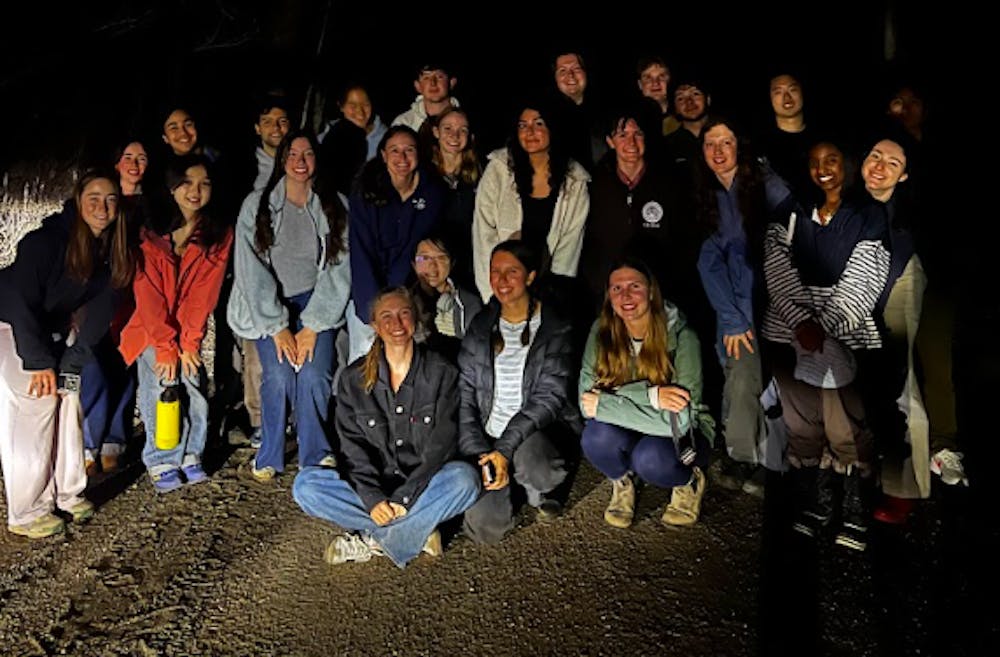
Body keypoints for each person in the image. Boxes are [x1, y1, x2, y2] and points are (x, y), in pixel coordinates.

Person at [761, 138, 890, 551]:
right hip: (789, 332)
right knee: (802, 420)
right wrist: (801, 321)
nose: (823, 168)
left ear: (847, 164)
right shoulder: (791, 210)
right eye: (815, 162)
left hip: (845, 332)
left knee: (845, 422)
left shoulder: (867, 215)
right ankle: (814, 501)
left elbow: (867, 274)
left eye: (832, 159)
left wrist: (826, 323)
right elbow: (775, 263)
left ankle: (853, 505)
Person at [293, 286, 480, 567]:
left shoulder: (441, 372)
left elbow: (442, 446)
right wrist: (373, 499)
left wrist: (405, 497)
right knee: (306, 487)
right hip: (374, 486)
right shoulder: (353, 379)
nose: (397, 323)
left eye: (404, 314)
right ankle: (417, 529)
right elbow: (351, 448)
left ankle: (374, 538)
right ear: (375, 326)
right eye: (387, 316)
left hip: (423, 486)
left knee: (465, 480)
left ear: (415, 319)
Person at [0, 169, 135, 537]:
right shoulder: (45, 242)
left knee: (68, 396)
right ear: (78, 200)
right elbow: (17, 299)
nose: (102, 206)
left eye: (110, 199)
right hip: (11, 324)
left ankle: (67, 491)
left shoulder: (112, 251)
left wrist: (73, 361)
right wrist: (39, 362)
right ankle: (27, 511)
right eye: (93, 197)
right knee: (36, 403)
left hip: (54, 331)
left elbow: (101, 313)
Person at [228, 129, 350, 481]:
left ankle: (316, 452)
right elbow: (249, 267)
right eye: (293, 154)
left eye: (307, 154)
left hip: (316, 301)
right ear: (282, 160)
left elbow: (340, 267)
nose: (300, 161)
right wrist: (278, 325)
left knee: (313, 373)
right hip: (270, 304)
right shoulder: (257, 204)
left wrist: (314, 324)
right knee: (279, 374)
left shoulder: (334, 204)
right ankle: (270, 450)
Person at [118, 154, 233, 491]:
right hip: (149, 326)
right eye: (187, 183)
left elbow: (204, 293)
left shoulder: (216, 234)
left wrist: (189, 343)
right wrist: (168, 346)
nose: (195, 191)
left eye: (204, 184)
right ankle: (161, 455)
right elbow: (147, 292)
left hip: (188, 327)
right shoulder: (149, 231)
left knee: (193, 377)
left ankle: (191, 452)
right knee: (161, 377)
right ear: (171, 188)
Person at [458, 241, 580, 544]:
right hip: (489, 437)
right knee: (486, 531)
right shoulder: (481, 326)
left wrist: (505, 450)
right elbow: (465, 393)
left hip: (532, 433)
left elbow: (548, 399)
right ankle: (508, 481)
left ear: (530, 276)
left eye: (512, 272)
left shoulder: (555, 327)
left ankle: (539, 484)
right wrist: (480, 452)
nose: (501, 281)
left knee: (538, 467)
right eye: (495, 272)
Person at [694, 116, 790, 497]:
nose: (718, 152)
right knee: (739, 373)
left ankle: (767, 458)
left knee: (766, 377)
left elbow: (790, 237)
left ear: (740, 146)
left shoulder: (764, 185)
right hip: (730, 305)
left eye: (726, 142)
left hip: (770, 299)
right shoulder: (706, 194)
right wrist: (732, 317)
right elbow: (707, 259)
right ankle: (744, 455)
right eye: (710, 144)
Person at [579, 257, 713, 528]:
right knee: (595, 437)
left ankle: (689, 482)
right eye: (616, 289)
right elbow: (586, 403)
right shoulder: (601, 332)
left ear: (651, 292)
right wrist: (653, 396)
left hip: (680, 433)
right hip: (640, 420)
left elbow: (681, 420)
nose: (625, 295)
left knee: (650, 459)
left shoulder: (683, 337)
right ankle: (623, 481)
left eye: (634, 286)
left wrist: (609, 400)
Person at [472, 99, 590, 303]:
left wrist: (552, 300)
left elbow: (570, 247)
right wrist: (493, 296)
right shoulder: (499, 169)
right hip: (502, 288)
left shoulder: (575, 180)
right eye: (522, 125)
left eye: (538, 124)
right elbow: (483, 233)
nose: (529, 131)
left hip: (548, 289)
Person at [579, 102, 692, 314]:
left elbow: (683, 239)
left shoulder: (670, 182)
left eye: (637, 134)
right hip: (609, 293)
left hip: (659, 293)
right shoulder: (595, 183)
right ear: (610, 142)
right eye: (622, 135)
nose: (631, 142)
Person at [80, 140, 150, 475]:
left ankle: (114, 442)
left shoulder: (153, 205)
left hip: (134, 296)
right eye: (128, 157)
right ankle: (87, 444)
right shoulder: (101, 201)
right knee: (96, 371)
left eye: (142, 158)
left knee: (125, 370)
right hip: (98, 299)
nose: (135, 164)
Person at [347, 125, 444, 363]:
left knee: (411, 363)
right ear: (383, 155)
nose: (402, 158)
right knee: (366, 361)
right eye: (394, 150)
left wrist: (401, 303)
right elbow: (361, 252)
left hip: (411, 295)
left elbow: (420, 249)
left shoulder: (433, 193)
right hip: (368, 294)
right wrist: (374, 310)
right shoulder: (365, 192)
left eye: (409, 150)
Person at [419, 106, 482, 289]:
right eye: (448, 129)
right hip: (433, 267)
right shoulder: (424, 174)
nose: (455, 136)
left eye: (462, 130)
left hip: (469, 265)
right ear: (436, 132)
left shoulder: (481, 174)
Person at [409, 234, 481, 364]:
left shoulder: (469, 301)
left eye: (441, 258)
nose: (432, 267)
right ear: (414, 264)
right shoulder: (404, 303)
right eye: (424, 258)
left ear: (452, 263)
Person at [755, 71, 817, 201]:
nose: (787, 96)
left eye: (792, 89)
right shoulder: (759, 145)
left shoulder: (824, 140)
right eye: (778, 92)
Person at [319, 82, 387, 197]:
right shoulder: (323, 139)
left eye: (365, 104)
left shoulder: (387, 138)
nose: (360, 112)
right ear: (341, 106)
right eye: (353, 106)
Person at [549, 49, 607, 172]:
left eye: (576, 69)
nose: (570, 75)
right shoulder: (544, 117)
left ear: (586, 73)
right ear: (555, 78)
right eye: (562, 70)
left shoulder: (607, 111)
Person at [392, 63, 460, 133]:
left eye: (439, 77)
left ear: (452, 82)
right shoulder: (404, 122)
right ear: (417, 86)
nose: (433, 83)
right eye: (426, 78)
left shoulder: (467, 120)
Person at [249, 95, 291, 192]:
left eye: (282, 121)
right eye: (267, 122)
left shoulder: (302, 162)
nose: (276, 127)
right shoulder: (247, 165)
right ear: (258, 128)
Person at [636, 55, 681, 137]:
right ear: (640, 85)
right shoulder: (631, 122)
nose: (655, 83)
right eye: (648, 77)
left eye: (662, 76)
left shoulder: (684, 116)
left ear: (670, 80)